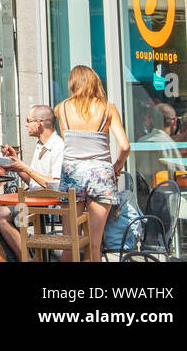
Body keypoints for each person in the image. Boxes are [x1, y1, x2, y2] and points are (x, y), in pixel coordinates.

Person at [55, 65, 129, 256]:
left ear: (72, 83)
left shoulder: (61, 109)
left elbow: (68, 141)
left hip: (73, 174)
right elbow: (125, 146)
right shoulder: (108, 109)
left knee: (70, 243)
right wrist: (117, 166)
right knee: (94, 245)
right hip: (101, 175)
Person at [0, 104, 65, 260]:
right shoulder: (40, 145)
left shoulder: (58, 146)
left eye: (28, 120)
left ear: (39, 123)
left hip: (46, 204)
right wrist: (17, 164)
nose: (26, 124)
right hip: (32, 199)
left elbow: (55, 184)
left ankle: (26, 258)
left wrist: (24, 167)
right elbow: (32, 179)